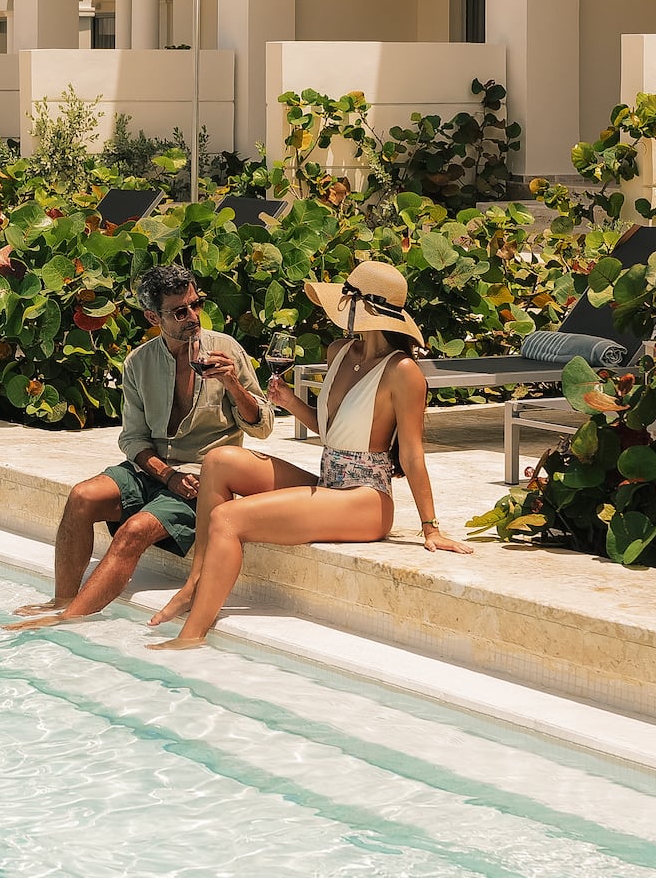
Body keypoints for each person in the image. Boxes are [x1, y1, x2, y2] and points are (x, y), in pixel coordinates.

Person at [150, 258, 473, 649]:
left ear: (361, 309)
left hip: (366, 499)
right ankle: (193, 584)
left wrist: (431, 527)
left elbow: (412, 454)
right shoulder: (340, 350)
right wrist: (289, 402)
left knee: (228, 518)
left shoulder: (404, 372)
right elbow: (334, 431)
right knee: (219, 461)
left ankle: (192, 635)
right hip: (330, 481)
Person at [4, 262, 273, 630]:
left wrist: (232, 384)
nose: (193, 316)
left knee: (133, 531)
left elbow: (263, 427)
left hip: (201, 479)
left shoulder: (225, 350)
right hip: (156, 470)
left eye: (196, 304)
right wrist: (166, 475)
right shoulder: (139, 362)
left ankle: (68, 620)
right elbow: (132, 439)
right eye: (180, 311)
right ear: (153, 316)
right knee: (81, 496)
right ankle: (62, 598)